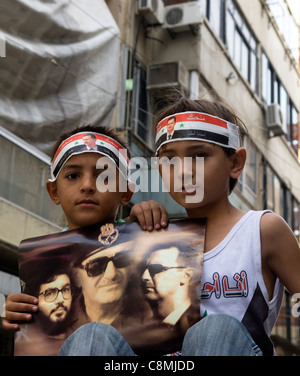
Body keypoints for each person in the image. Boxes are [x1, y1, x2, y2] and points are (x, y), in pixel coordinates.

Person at [58, 93, 300, 356]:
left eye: (199, 156)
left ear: (236, 162)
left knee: (215, 331)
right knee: (93, 336)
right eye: (170, 160)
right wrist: (130, 231)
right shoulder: (150, 235)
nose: (184, 170)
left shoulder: (261, 231)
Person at [2, 124, 168, 334]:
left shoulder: (142, 237)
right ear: (54, 191)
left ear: (125, 192)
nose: (88, 185)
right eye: (73, 176)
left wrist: (147, 227)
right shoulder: (43, 262)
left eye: (103, 176)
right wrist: (16, 313)